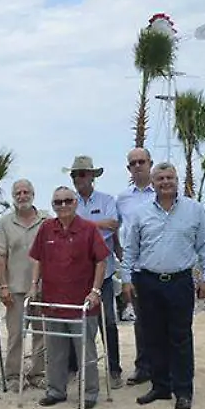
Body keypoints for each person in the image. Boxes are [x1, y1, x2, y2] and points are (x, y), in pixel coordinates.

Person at [121, 162, 205, 409]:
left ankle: (183, 391)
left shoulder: (194, 210)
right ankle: (160, 387)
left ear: (177, 181)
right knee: (153, 336)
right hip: (148, 281)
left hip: (180, 282)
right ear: (152, 183)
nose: (165, 182)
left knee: (180, 337)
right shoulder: (141, 213)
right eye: (160, 178)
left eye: (170, 178)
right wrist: (126, 279)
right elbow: (130, 248)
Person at [28, 186, 109, 408]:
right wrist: (34, 285)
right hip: (53, 302)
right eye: (58, 202)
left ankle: (90, 393)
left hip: (81, 302)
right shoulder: (46, 228)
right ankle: (56, 391)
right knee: (54, 352)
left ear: (75, 203)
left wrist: (95, 291)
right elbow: (37, 259)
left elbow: (101, 261)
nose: (63, 206)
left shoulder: (89, 229)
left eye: (67, 201)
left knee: (86, 351)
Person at [67, 155, 124, 388]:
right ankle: (74, 368)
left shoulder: (108, 200)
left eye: (82, 174)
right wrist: (96, 225)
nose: (78, 178)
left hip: (106, 272)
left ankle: (114, 369)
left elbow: (113, 226)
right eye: (74, 174)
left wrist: (82, 226)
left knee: (108, 322)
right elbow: (67, 230)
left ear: (92, 176)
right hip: (77, 273)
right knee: (74, 321)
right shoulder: (69, 202)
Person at [0, 178, 51, 388]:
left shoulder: (46, 220)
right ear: (13, 197)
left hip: (43, 289)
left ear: (33, 194)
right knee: (16, 334)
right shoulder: (5, 223)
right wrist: (4, 286)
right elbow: (0, 255)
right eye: (18, 193)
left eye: (26, 192)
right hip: (15, 288)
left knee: (41, 333)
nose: (22, 196)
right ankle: (13, 375)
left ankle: (38, 373)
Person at [117, 147, 157, 385]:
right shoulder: (123, 199)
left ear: (150, 163)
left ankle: (165, 367)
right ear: (128, 168)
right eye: (133, 163)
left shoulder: (164, 193)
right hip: (138, 269)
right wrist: (121, 260)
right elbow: (115, 231)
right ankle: (143, 368)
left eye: (142, 161)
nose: (138, 166)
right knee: (141, 322)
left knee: (163, 321)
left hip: (162, 268)